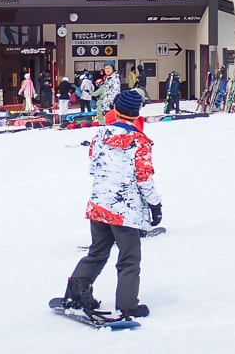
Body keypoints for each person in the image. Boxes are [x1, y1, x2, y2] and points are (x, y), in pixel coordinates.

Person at [60, 90, 160, 318]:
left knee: (97, 252)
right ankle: (127, 304)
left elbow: (93, 167)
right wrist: (155, 204)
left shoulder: (99, 135)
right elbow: (143, 177)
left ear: (115, 109)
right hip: (125, 211)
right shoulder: (139, 141)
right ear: (137, 113)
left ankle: (77, 290)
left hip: (99, 204)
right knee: (129, 257)